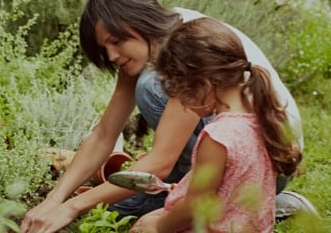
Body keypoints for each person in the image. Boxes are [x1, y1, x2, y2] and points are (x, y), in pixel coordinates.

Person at [19, 0, 312, 233]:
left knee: (149, 88)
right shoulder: (151, 41)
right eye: (104, 48)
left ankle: (268, 203)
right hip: (256, 155)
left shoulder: (186, 47)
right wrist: (55, 199)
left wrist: (72, 208)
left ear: (139, 21)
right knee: (121, 210)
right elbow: (105, 132)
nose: (111, 55)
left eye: (116, 41)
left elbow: (160, 162)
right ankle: (209, 194)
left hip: (268, 164)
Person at [128, 17, 302, 232]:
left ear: (203, 84)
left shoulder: (217, 137)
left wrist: (158, 227)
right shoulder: (260, 116)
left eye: (182, 93)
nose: (183, 103)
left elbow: (193, 207)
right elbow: (235, 179)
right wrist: (184, 188)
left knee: (145, 223)